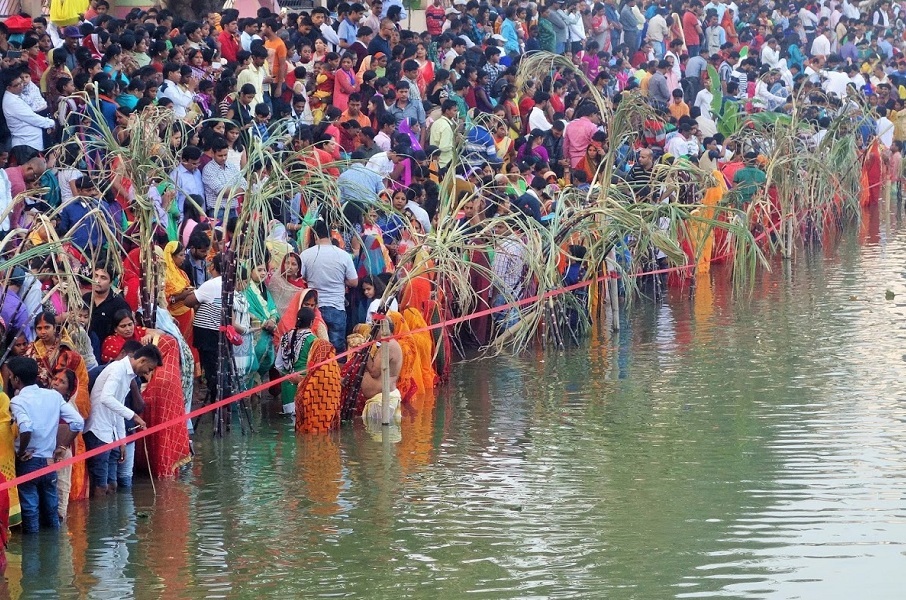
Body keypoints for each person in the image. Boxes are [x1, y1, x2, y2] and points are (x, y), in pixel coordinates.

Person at [4, 356, 84, 533]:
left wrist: (20, 452)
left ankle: (32, 553)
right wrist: (62, 447)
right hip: (49, 462)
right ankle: (53, 550)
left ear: (17, 379)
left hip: (29, 462)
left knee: (31, 511)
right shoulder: (53, 396)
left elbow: (26, 428)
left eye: (10, 376)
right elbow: (78, 422)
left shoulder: (17, 401)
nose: (9, 379)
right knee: (51, 509)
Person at [83, 344, 158, 497]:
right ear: (142, 360)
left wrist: (121, 441)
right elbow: (106, 398)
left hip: (110, 434)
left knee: (112, 485)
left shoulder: (128, 375)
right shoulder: (117, 369)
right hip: (98, 431)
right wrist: (134, 416)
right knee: (101, 487)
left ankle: (111, 520)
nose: (148, 373)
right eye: (149, 369)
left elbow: (117, 408)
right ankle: (100, 519)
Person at [299, 219, 359, 352]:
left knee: (314, 349)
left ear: (315, 236)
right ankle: (335, 372)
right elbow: (354, 282)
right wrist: (341, 281)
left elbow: (300, 278)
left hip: (314, 308)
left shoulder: (306, 255)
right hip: (336, 307)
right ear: (330, 235)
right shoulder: (343, 255)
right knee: (336, 349)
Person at [275, 306, 318, 416]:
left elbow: (278, 365)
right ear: (312, 322)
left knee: (289, 426)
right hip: (305, 386)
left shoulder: (285, 337)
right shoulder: (314, 340)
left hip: (287, 387)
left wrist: (289, 376)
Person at [359, 318, 403, 423]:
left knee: (379, 435)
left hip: (383, 399)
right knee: (378, 436)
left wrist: (363, 351)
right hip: (383, 397)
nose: (371, 332)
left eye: (374, 328)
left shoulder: (388, 345)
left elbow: (374, 372)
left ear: (383, 330)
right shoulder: (389, 344)